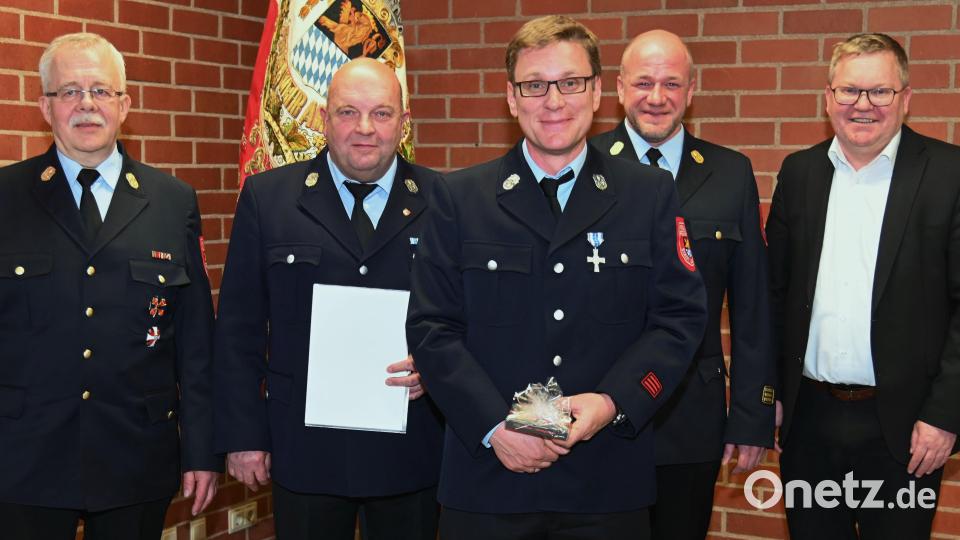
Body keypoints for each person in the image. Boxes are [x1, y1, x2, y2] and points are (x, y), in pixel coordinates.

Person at [406, 16, 707, 540]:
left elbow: (679, 319)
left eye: (570, 83)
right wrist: (496, 428)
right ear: (511, 96)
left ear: (595, 94)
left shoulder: (648, 194)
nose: (553, 101)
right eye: (535, 85)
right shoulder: (460, 199)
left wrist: (612, 401)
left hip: (607, 481)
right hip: (489, 483)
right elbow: (433, 328)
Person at [0, 33, 220, 539]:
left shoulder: (173, 202)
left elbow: (195, 344)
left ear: (125, 104)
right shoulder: (6, 198)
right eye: (69, 91)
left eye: (101, 91)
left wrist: (203, 449)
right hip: (22, 456)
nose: (86, 105)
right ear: (45, 106)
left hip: (135, 453)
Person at [214, 57, 443, 540]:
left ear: (404, 124)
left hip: (411, 447)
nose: (365, 128)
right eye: (347, 112)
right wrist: (243, 436)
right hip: (305, 452)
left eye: (382, 114)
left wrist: (436, 369)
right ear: (323, 119)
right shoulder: (268, 198)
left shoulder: (445, 200)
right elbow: (239, 330)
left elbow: (467, 318)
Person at [767, 32, 960, 539]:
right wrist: (770, 395)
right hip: (809, 422)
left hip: (905, 429)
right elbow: (776, 295)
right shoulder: (800, 173)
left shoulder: (948, 174)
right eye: (850, 91)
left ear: (906, 98)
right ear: (828, 97)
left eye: (880, 92)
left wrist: (945, 415)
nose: (863, 105)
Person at [590, 29, 775, 540]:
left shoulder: (729, 172)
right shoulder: (584, 165)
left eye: (671, 84)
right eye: (644, 82)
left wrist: (752, 417)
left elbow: (753, 305)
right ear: (620, 88)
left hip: (690, 413)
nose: (657, 97)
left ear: (692, 91)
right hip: (598, 407)